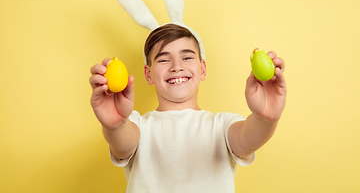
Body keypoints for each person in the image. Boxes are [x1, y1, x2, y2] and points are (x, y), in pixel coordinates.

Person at [89, 23, 287, 192]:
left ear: (202, 69)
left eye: (187, 57)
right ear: (148, 74)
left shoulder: (222, 124)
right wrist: (115, 125)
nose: (176, 66)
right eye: (163, 59)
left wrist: (265, 118)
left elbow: (246, 140)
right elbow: (123, 143)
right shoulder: (136, 125)